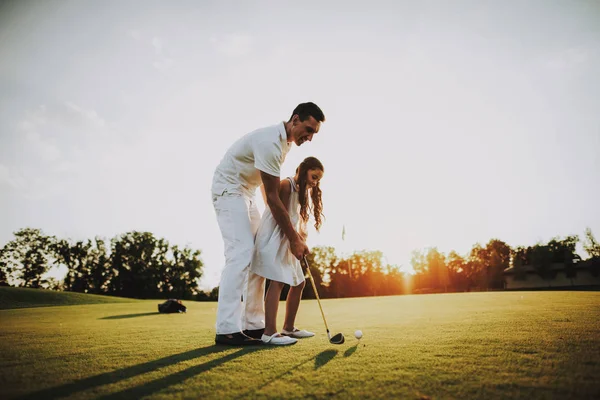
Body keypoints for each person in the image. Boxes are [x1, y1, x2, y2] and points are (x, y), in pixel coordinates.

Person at [211, 102, 325, 345]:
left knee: (255, 256)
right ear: (295, 119)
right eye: (308, 129)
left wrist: (270, 217)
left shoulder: (285, 144)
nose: (310, 137)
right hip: (229, 189)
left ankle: (254, 325)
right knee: (240, 252)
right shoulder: (270, 142)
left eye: (314, 133)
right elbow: (274, 198)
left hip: (247, 194)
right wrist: (293, 237)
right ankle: (227, 329)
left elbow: (266, 188)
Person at [250, 157, 325, 345]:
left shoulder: (300, 191)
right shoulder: (286, 185)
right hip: (275, 240)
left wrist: (300, 238)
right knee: (277, 282)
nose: (314, 182)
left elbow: (293, 219)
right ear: (303, 170)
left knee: (298, 283)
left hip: (287, 241)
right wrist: (295, 240)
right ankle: (269, 332)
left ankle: (288, 328)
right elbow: (279, 217)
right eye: (313, 176)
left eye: (318, 180)